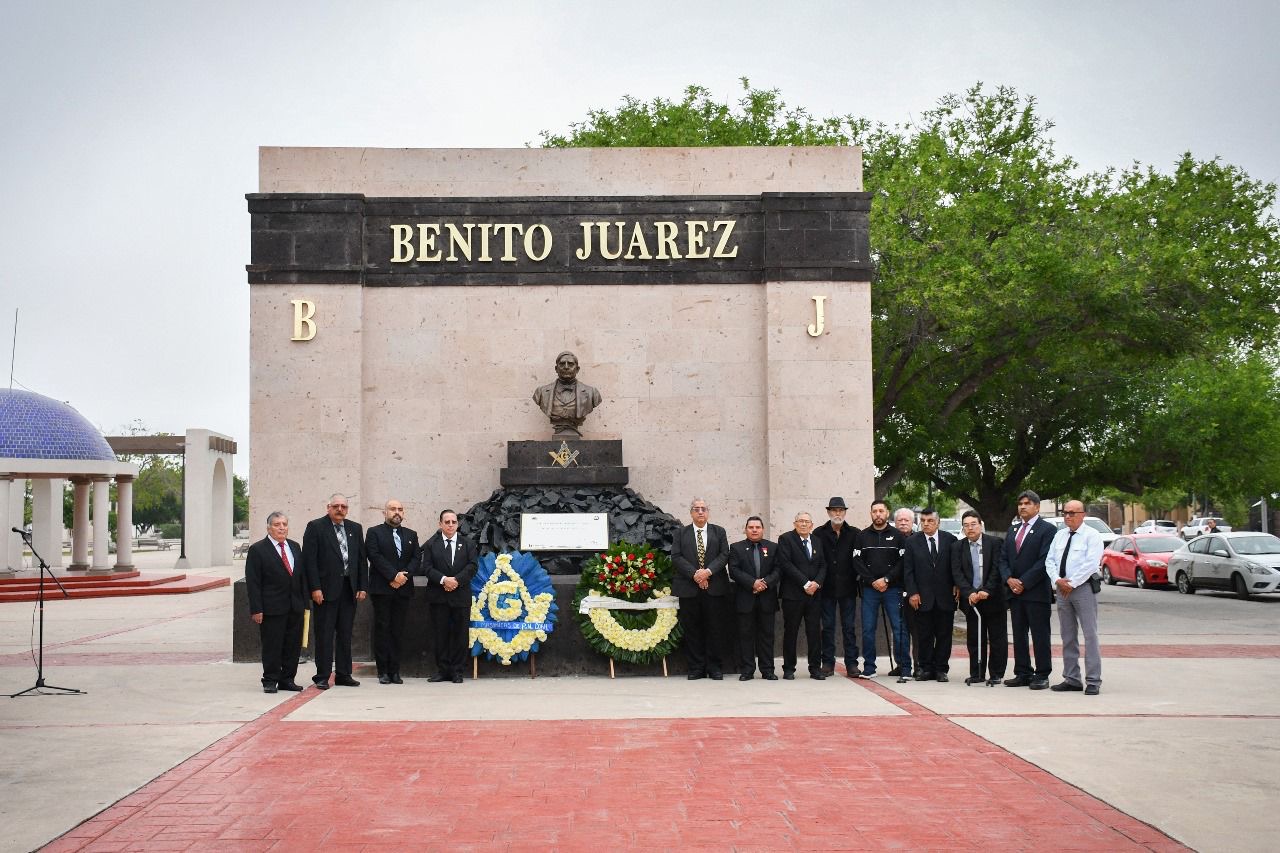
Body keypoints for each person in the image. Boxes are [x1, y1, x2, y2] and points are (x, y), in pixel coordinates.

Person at [302, 494, 367, 689]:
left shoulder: (355, 528)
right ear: (328, 507)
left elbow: (361, 560)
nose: (340, 509)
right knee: (324, 634)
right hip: (325, 591)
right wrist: (315, 588)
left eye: (344, 507)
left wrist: (362, 586)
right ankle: (322, 676)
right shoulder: (315, 527)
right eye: (336, 506)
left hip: (349, 590)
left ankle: (343, 674)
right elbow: (309, 561)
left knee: (346, 634)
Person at [998, 490, 1056, 689]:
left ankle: (1042, 674)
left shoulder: (1047, 530)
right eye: (1020, 503)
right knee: (1019, 634)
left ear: (1037, 507)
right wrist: (1009, 579)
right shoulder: (1013, 530)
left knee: (1040, 634)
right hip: (1015, 593)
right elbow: (1003, 558)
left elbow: (1044, 560)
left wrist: (1023, 582)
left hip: (1036, 592)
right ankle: (1023, 672)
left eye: (1027, 503)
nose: (1022, 506)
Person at [245, 511, 307, 694]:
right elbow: (253, 582)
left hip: (294, 606)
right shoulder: (258, 550)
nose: (281, 528)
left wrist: (304, 604)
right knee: (273, 645)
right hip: (271, 608)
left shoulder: (295, 547)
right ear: (268, 528)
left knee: (292, 645)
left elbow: (300, 577)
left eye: (284, 524)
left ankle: (287, 679)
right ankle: (270, 680)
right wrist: (256, 609)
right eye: (277, 524)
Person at [1047, 500, 1105, 695]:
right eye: (1066, 513)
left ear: (1083, 514)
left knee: (1090, 635)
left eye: (1073, 513)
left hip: (1082, 589)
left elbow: (1091, 564)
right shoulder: (1059, 536)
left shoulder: (1092, 536)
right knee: (1068, 636)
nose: (1068, 516)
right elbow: (1050, 561)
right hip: (1062, 590)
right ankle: (1071, 678)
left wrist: (1071, 583)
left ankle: (1093, 680)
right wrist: (1058, 580)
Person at [671, 498, 730, 680]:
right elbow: (676, 556)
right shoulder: (681, 533)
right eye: (696, 509)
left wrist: (707, 572)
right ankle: (696, 668)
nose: (700, 512)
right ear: (691, 513)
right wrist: (696, 574)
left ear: (708, 512)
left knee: (715, 629)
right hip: (689, 588)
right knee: (692, 629)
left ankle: (715, 668)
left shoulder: (719, 532)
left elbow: (724, 554)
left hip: (715, 588)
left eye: (703, 509)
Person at [365, 499, 418, 685]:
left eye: (400, 509)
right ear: (384, 512)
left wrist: (403, 577)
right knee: (383, 629)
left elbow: (416, 558)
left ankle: (395, 671)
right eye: (393, 509)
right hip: (382, 589)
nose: (397, 512)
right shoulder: (374, 533)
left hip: (403, 590)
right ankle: (383, 671)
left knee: (398, 630)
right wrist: (393, 576)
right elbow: (374, 556)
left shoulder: (412, 534)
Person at [951, 510, 1007, 686]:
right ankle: (977, 673)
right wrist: (970, 593)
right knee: (975, 639)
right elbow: (957, 573)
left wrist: (987, 590)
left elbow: (997, 569)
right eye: (966, 525)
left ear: (981, 525)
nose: (970, 528)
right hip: (972, 600)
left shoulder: (995, 543)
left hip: (993, 598)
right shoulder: (957, 547)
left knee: (997, 638)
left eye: (973, 524)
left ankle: (996, 673)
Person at [902, 507, 958, 683]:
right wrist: (912, 592)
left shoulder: (951, 540)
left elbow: (956, 566)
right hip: (922, 597)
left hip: (945, 597)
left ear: (938, 522)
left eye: (930, 521)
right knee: (924, 635)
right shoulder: (912, 542)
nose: (926, 524)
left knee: (944, 635)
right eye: (923, 521)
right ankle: (925, 668)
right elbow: (908, 570)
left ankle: (941, 669)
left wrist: (957, 584)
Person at [422, 509, 478, 683]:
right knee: (441, 634)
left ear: (458, 524)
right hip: (439, 595)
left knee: (460, 635)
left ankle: (457, 671)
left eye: (454, 522)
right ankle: (442, 670)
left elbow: (472, 566)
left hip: (460, 595)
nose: (451, 525)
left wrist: (456, 581)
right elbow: (426, 568)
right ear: (440, 524)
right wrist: (444, 580)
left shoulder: (468, 543)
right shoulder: (432, 544)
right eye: (447, 522)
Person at [855, 501, 909, 679]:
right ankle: (869, 668)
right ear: (871, 514)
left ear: (887, 513)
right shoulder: (862, 536)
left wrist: (886, 579)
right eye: (874, 511)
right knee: (868, 629)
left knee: (899, 628)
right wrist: (872, 581)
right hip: (870, 590)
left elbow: (902, 562)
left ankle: (905, 668)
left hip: (892, 589)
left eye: (881, 511)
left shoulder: (898, 536)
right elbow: (857, 562)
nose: (878, 514)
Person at [813, 497, 860, 678]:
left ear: (845, 512)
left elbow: (859, 560)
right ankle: (828, 663)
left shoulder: (855, 533)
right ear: (828, 512)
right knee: (828, 627)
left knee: (849, 627)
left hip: (848, 588)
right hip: (826, 589)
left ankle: (852, 664)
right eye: (834, 510)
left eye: (840, 510)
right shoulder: (818, 533)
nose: (837, 513)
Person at [728, 516, 779, 681]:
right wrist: (753, 583)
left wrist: (764, 583)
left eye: (757, 527)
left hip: (767, 599)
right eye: (751, 527)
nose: (754, 530)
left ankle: (768, 670)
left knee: (767, 636)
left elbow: (778, 569)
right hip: (745, 599)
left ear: (763, 529)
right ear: (746, 529)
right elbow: (734, 570)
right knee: (746, 636)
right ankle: (747, 670)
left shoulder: (773, 547)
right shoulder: (736, 548)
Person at [777, 511, 827, 680]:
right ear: (795, 523)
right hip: (793, 595)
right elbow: (786, 564)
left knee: (814, 632)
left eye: (807, 522)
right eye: (800, 521)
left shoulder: (817, 541)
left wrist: (817, 583)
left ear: (811, 525)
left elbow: (823, 565)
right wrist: (805, 583)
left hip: (814, 595)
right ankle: (789, 668)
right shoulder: (785, 539)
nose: (804, 524)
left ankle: (815, 668)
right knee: (791, 631)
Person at [532, 351, 603, 438]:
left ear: (577, 369)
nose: (566, 367)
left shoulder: (591, 392)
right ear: (556, 369)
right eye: (562, 364)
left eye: (570, 364)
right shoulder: (541, 392)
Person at [893, 507, 921, 677]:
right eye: (900, 520)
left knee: (916, 631)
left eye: (906, 520)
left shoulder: (918, 540)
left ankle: (918, 665)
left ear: (912, 522)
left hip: (914, 592)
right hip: (894, 591)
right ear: (895, 522)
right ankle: (902, 664)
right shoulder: (890, 538)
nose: (903, 523)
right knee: (899, 631)